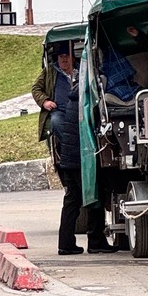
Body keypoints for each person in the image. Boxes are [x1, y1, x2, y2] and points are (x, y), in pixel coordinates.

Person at [55, 75, 116, 255]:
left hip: (69, 158)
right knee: (94, 198)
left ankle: (65, 243)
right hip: (81, 159)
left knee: (72, 202)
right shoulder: (87, 101)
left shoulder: (74, 99)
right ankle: (96, 241)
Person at [31, 44, 74, 146]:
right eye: (61, 56)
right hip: (59, 110)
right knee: (55, 121)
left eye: (67, 56)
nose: (64, 59)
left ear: (73, 57)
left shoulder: (82, 70)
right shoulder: (50, 71)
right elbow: (36, 88)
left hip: (81, 110)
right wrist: (45, 101)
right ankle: (70, 148)